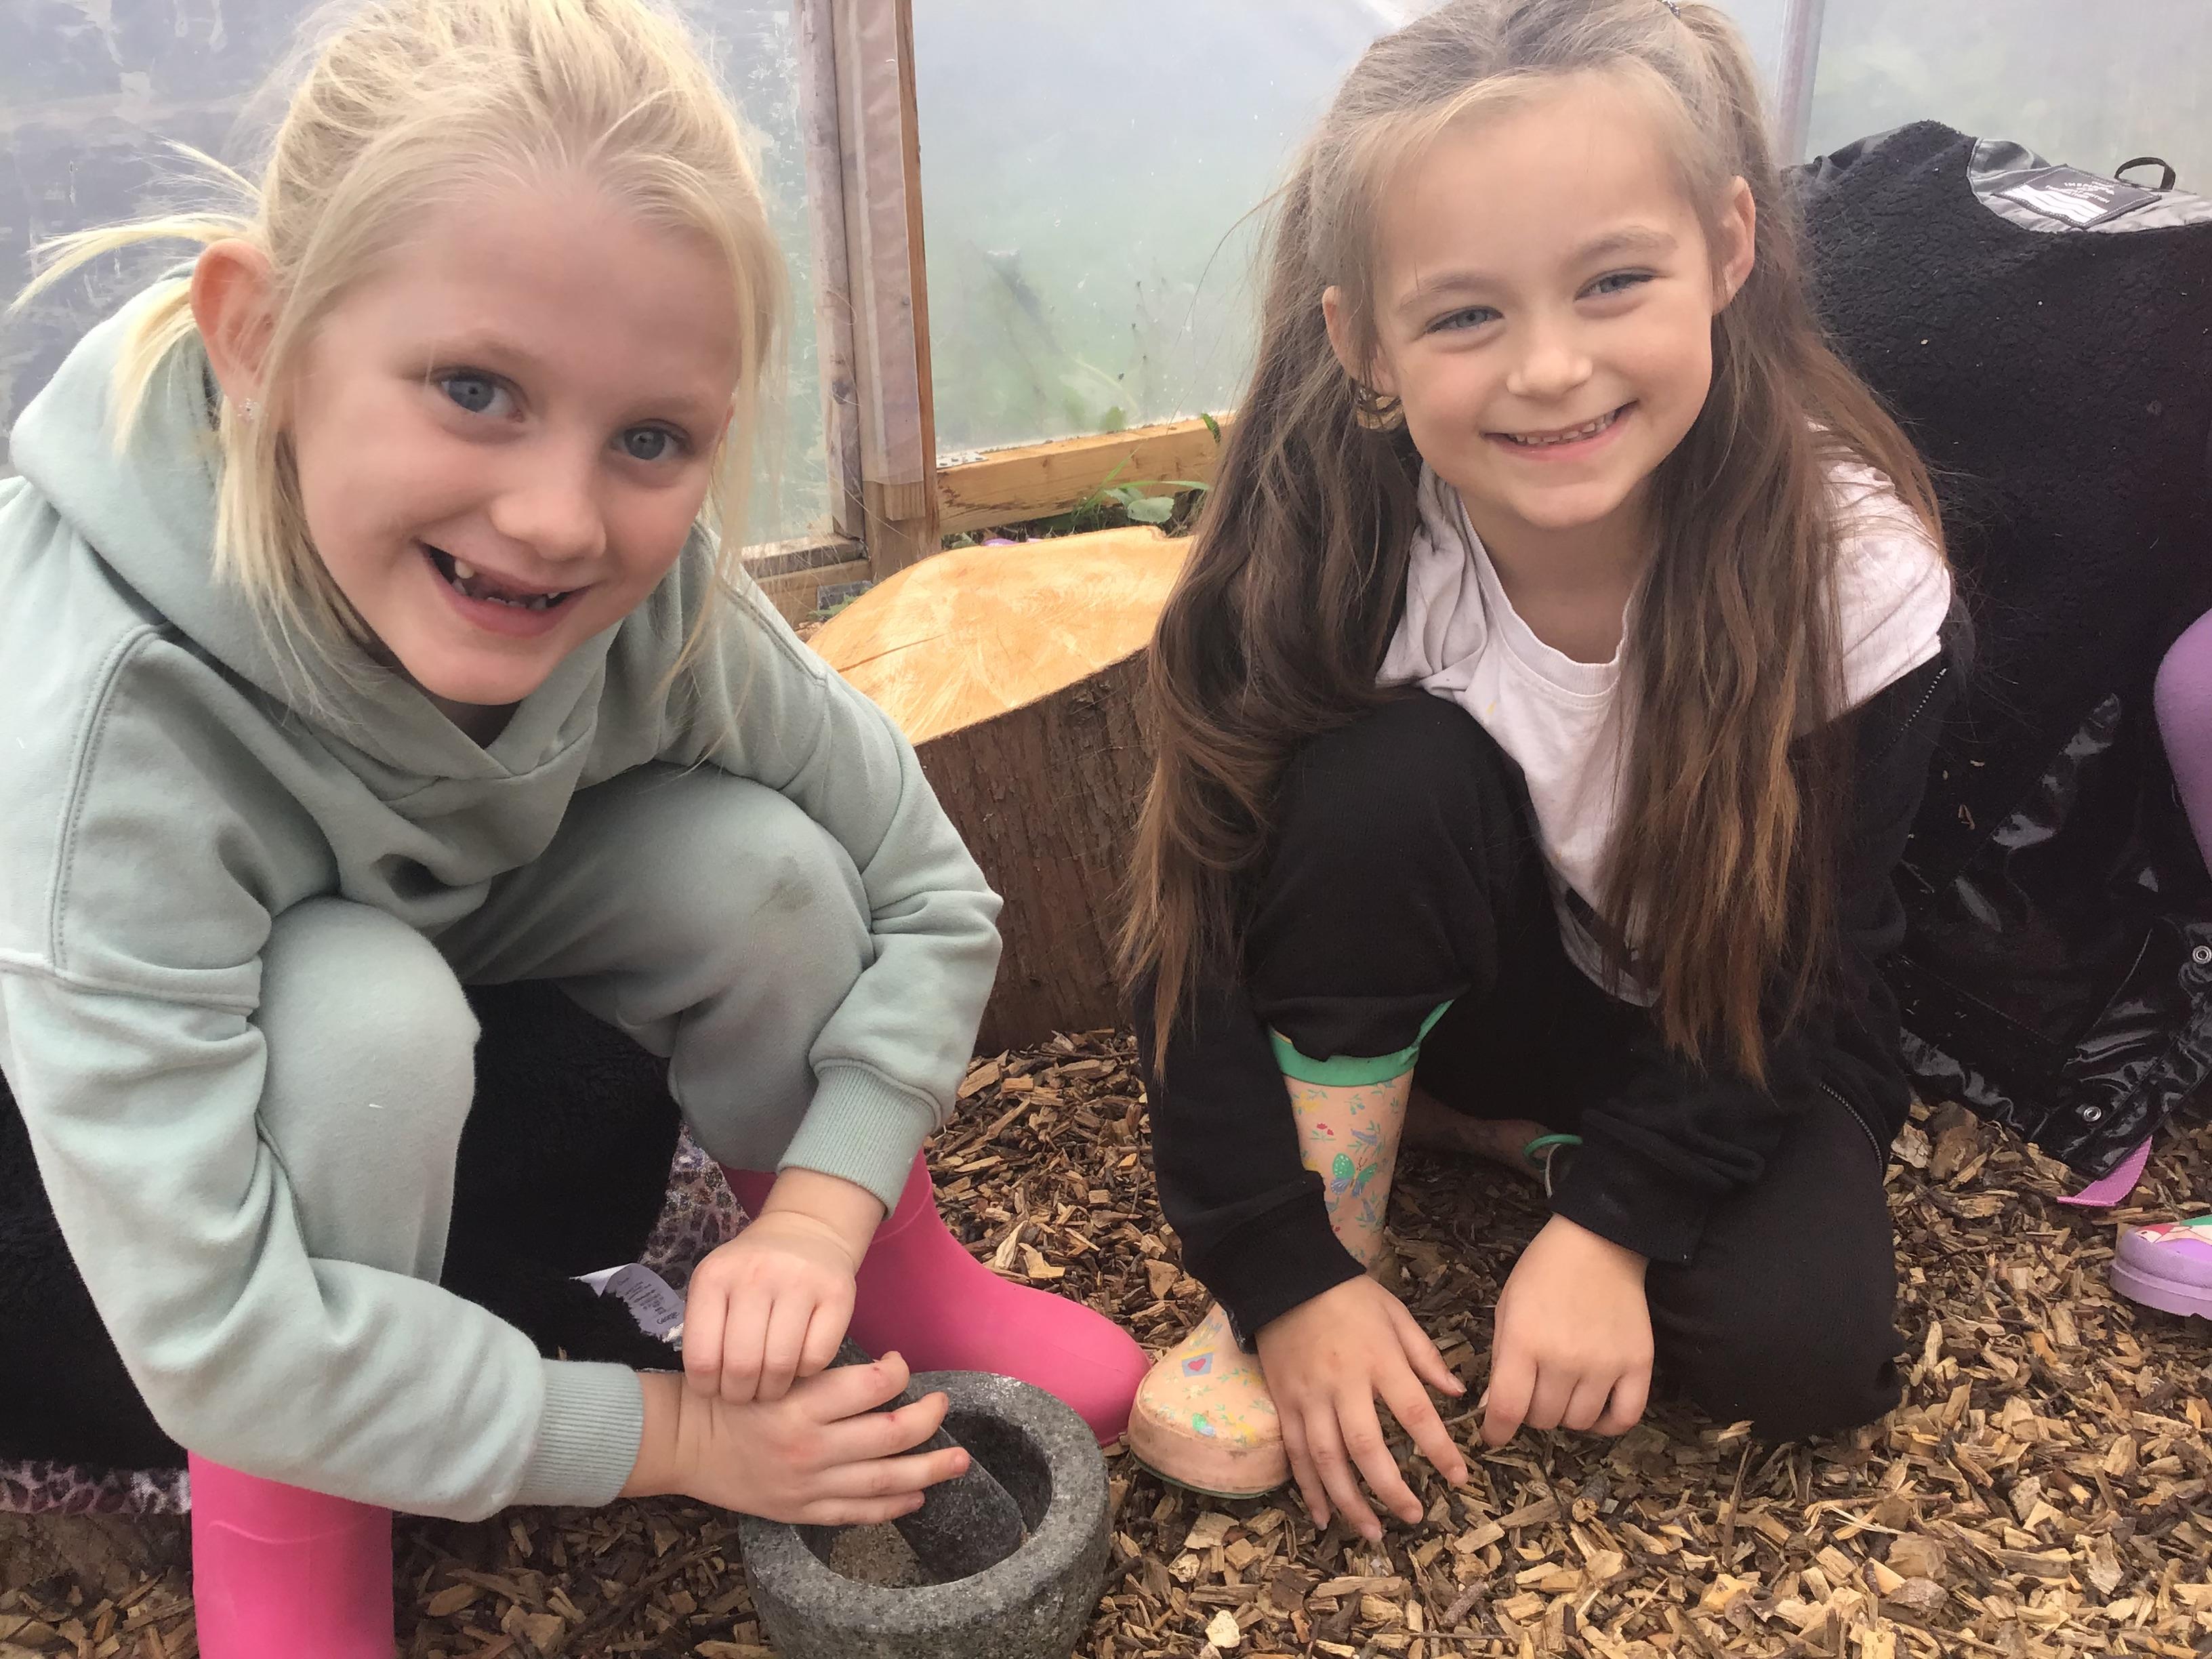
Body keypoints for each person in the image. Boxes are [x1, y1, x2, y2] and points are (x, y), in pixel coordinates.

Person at [0, 0, 1145, 1648]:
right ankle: (294, 1523)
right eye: (473, 388)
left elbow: (927, 893)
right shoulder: (117, 721)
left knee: (759, 873)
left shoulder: (651, 594)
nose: (554, 521)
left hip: (454, 955)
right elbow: (207, 1327)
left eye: (651, 439)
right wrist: (671, 1435)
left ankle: (904, 1285)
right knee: (363, 1020)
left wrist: (821, 1214)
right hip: (109, 1155)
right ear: (259, 342)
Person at [1118, 0, 1959, 1540]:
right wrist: (1281, 1274)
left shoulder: (1852, 571)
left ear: (1729, 246)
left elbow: (1809, 960)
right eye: (1464, 316)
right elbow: (1195, 931)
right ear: (1361, 346)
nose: (1553, 369)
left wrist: (1615, 1226)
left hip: (1731, 1013)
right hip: (1483, 979)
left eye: (1615, 281)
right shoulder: (1335, 543)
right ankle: (1353, 1200)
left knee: (1799, 1355)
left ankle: (1486, 1134)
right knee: (1379, 783)